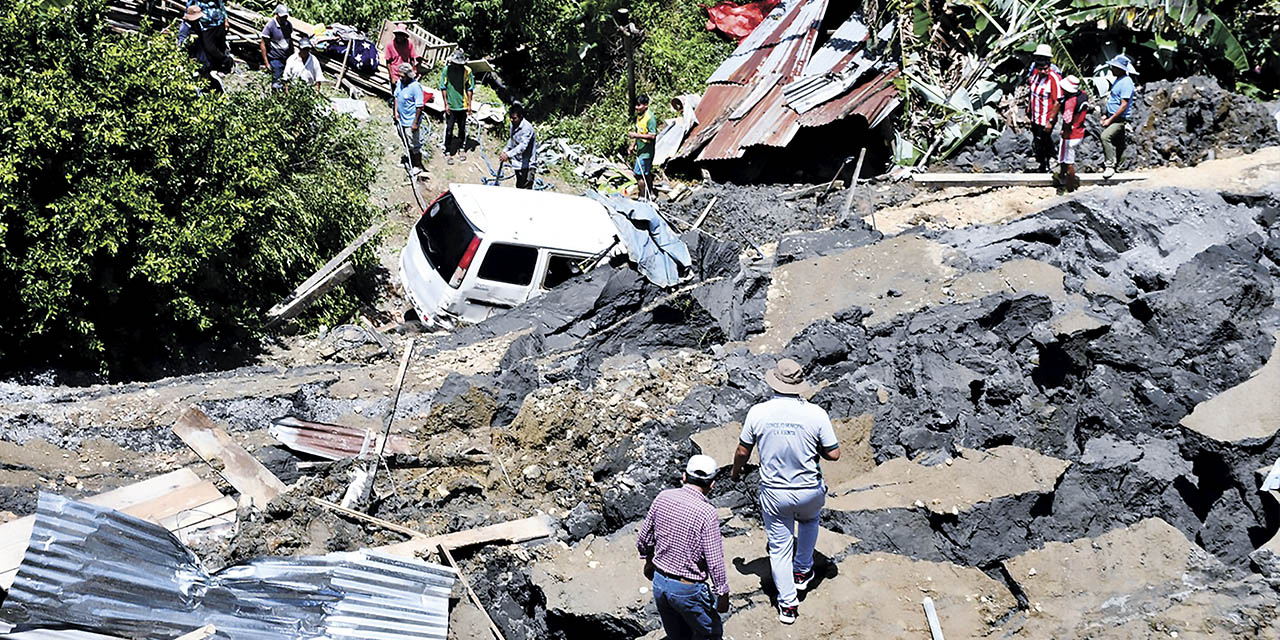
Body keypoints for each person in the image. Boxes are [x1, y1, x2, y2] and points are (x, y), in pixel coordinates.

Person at [730, 358, 839, 625]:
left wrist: (735, 472)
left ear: (774, 382)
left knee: (779, 548)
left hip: (775, 491)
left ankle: (787, 606)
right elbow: (834, 454)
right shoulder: (816, 413)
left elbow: (743, 450)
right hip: (809, 489)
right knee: (810, 521)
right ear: (799, 384)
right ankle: (802, 571)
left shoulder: (758, 412)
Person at [636, 454, 730, 640]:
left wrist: (648, 562)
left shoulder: (663, 497)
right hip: (688, 588)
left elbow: (644, 539)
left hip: (660, 582)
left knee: (677, 635)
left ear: (684, 477)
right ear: (712, 485)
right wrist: (722, 593)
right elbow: (714, 560)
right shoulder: (707, 513)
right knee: (710, 634)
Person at [1026, 43, 1062, 173]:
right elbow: (1032, 92)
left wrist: (1051, 120)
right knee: (1038, 139)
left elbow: (1057, 101)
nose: (1042, 71)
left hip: (1045, 116)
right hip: (1035, 114)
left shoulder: (1054, 78)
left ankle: (1049, 161)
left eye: (1045, 69)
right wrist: (1029, 108)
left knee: (1044, 140)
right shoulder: (1034, 73)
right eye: (1040, 68)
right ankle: (1042, 162)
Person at [1101, 54, 1137, 178]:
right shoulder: (1119, 80)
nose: (1112, 69)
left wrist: (1110, 119)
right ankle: (1120, 167)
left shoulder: (1126, 83)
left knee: (1105, 137)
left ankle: (1109, 166)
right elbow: (1114, 99)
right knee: (1119, 143)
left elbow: (1123, 105)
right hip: (1113, 116)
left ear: (1121, 69)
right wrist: (1106, 114)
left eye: (1114, 67)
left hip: (1119, 119)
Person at [440, 50, 474, 163]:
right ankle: (447, 150)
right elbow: (443, 87)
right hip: (451, 105)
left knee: (462, 128)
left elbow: (470, 88)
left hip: (462, 105)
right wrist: (446, 104)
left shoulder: (467, 71)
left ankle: (461, 148)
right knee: (449, 129)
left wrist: (469, 104)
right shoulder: (446, 70)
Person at [1057, 75, 1088, 192]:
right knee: (1067, 158)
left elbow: (1067, 120)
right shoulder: (1083, 95)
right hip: (1080, 131)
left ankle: (1068, 187)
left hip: (1070, 134)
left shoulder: (1070, 102)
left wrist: (1064, 130)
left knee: (1068, 161)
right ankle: (1062, 178)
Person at [395, 63, 426, 175]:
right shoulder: (400, 83)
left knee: (414, 144)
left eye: (403, 76)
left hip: (410, 121)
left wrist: (415, 123)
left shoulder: (415, 87)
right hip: (401, 119)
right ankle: (409, 160)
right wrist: (396, 112)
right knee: (405, 141)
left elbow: (419, 106)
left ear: (408, 76)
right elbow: (396, 97)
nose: (400, 78)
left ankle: (417, 165)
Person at [499, 102, 537, 189]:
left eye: (514, 118)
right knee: (519, 187)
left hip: (527, 165)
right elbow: (512, 139)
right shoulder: (513, 125)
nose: (512, 120)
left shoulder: (527, 128)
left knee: (526, 189)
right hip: (517, 163)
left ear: (521, 117)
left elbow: (523, 146)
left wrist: (508, 154)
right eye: (511, 118)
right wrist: (505, 150)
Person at [628, 94, 658, 199]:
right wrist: (633, 145)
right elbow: (639, 131)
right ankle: (651, 194)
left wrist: (636, 135)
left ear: (645, 105)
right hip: (641, 150)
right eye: (636, 105)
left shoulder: (650, 118)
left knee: (638, 174)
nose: (637, 108)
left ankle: (642, 196)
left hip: (647, 152)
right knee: (645, 173)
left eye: (639, 105)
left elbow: (652, 135)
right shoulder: (639, 117)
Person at [259, 4, 293, 87]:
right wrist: (266, 63)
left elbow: (290, 40)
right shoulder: (270, 26)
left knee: (287, 79)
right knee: (276, 82)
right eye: (282, 17)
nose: (284, 19)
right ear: (276, 15)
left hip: (286, 57)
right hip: (275, 58)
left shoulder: (288, 25)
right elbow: (263, 44)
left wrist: (293, 55)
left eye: (285, 17)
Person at [384, 25, 418, 95]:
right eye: (398, 34)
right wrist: (392, 76)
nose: (400, 37)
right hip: (395, 71)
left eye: (402, 35)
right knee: (395, 92)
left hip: (405, 71)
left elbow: (412, 59)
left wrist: (413, 71)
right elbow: (388, 62)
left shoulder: (409, 44)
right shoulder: (390, 45)